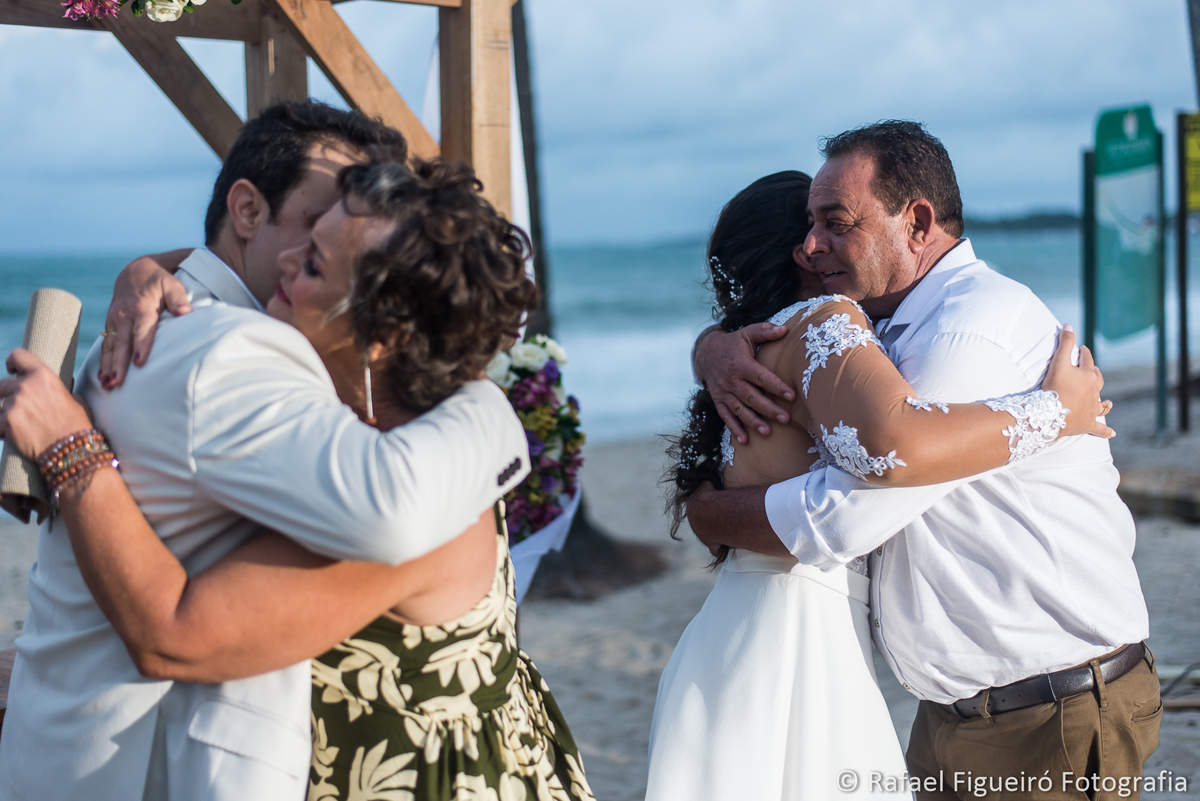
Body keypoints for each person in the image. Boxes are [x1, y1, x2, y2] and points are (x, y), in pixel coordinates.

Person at [0, 103, 532, 801]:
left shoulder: (397, 452)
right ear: (247, 209)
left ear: (384, 330)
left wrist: (71, 447)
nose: (289, 261)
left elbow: (389, 504)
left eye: (315, 257)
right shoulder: (233, 353)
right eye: (314, 225)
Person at [689, 122, 1159, 799]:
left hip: (1047, 712)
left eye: (836, 223)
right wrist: (713, 345)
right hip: (959, 713)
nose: (811, 244)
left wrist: (711, 513)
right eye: (809, 226)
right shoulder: (882, 321)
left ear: (916, 222)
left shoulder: (967, 329)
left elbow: (849, 515)